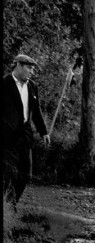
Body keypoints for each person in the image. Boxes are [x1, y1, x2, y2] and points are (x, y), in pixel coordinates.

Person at [3, 54, 50, 211]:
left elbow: (36, 112)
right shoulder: (4, 84)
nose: (32, 72)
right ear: (18, 66)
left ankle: (11, 202)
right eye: (29, 68)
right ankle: (9, 207)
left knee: (26, 175)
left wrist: (44, 132)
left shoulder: (32, 87)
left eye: (33, 69)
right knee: (10, 173)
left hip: (25, 136)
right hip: (7, 138)